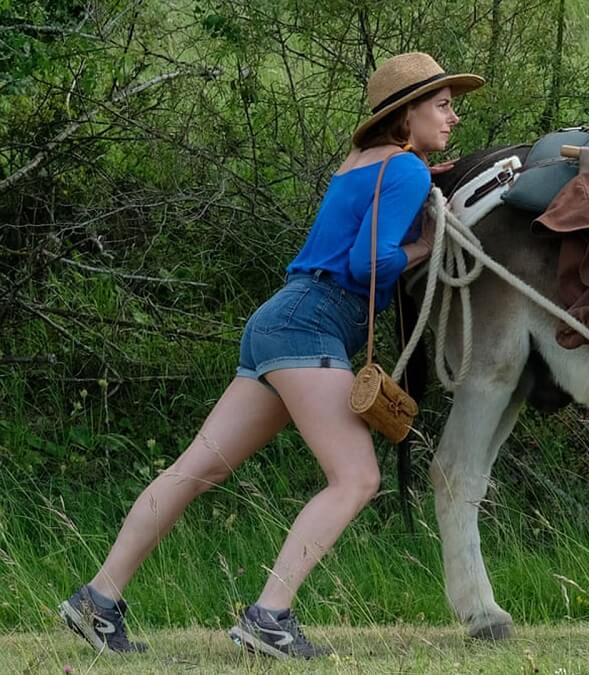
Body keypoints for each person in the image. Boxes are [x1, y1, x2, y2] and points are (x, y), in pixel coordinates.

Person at [58, 52, 483, 659]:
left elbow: (361, 224)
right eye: (441, 105)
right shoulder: (406, 171)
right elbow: (369, 263)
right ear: (406, 114)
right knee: (357, 478)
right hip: (314, 323)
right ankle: (269, 618)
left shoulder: (363, 164)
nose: (453, 116)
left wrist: (414, 184)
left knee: (193, 470)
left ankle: (96, 601)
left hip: (279, 320)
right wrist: (426, 243)